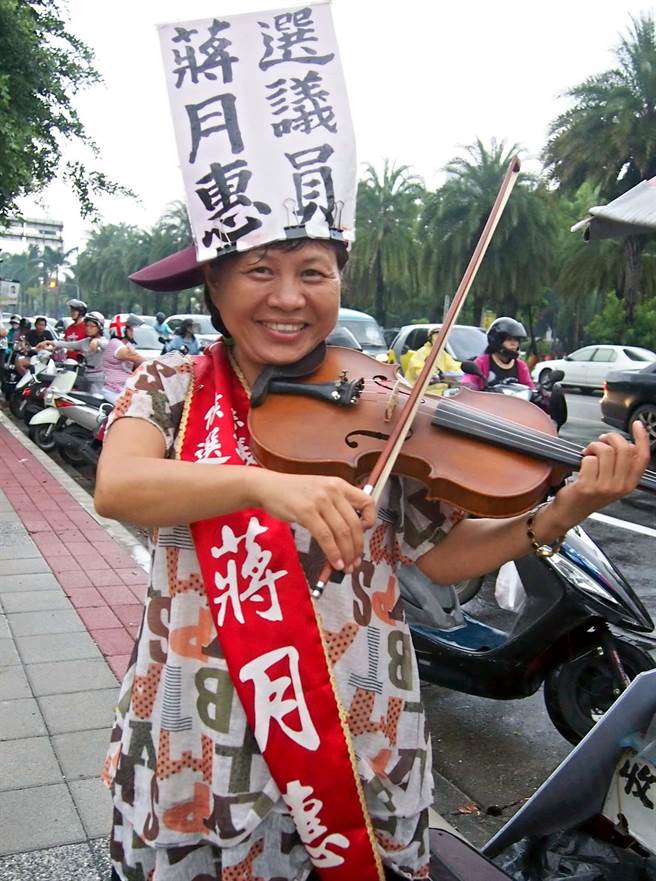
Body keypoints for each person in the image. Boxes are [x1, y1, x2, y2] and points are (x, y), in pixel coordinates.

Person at [95, 237, 649, 881]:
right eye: (260, 272)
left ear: (340, 282)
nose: (289, 298)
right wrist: (261, 485)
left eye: (314, 274)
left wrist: (563, 511)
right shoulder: (172, 386)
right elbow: (119, 486)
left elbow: (441, 557)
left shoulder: (382, 400)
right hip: (201, 716)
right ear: (214, 285)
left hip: (359, 713)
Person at [461, 317, 534, 391]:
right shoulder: (482, 362)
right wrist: (472, 386)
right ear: (496, 340)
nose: (514, 344)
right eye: (509, 339)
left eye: (516, 340)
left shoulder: (520, 366)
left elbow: (529, 388)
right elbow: (468, 381)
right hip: (486, 398)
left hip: (513, 399)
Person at [43, 311, 107, 395]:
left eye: (92, 326)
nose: (88, 328)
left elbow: (104, 344)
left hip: (98, 379)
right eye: (87, 325)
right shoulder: (85, 342)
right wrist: (50, 342)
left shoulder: (103, 341)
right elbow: (68, 344)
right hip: (85, 376)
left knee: (94, 399)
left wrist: (97, 341)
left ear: (99, 328)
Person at [404, 327, 462, 395]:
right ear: (430, 338)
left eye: (443, 336)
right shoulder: (422, 352)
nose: (439, 338)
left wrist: (464, 370)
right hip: (422, 393)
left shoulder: (443, 354)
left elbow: (454, 367)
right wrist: (436, 376)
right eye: (437, 335)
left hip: (441, 393)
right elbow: (417, 371)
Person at [102, 313, 145, 403]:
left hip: (124, 389)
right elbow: (135, 357)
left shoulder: (127, 345)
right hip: (113, 391)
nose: (132, 331)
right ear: (122, 329)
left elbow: (138, 366)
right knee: (134, 408)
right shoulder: (115, 343)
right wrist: (155, 364)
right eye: (130, 328)